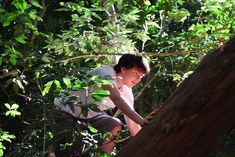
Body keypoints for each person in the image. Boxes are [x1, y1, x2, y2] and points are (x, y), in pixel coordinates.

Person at [49, 53, 154, 156]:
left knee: (114, 124)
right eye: (136, 73)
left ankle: (104, 154)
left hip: (90, 117)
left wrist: (146, 143)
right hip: (66, 111)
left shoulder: (127, 91)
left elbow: (132, 123)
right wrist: (141, 120)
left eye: (141, 76)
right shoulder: (105, 72)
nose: (138, 79)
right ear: (123, 69)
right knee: (70, 150)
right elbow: (116, 98)